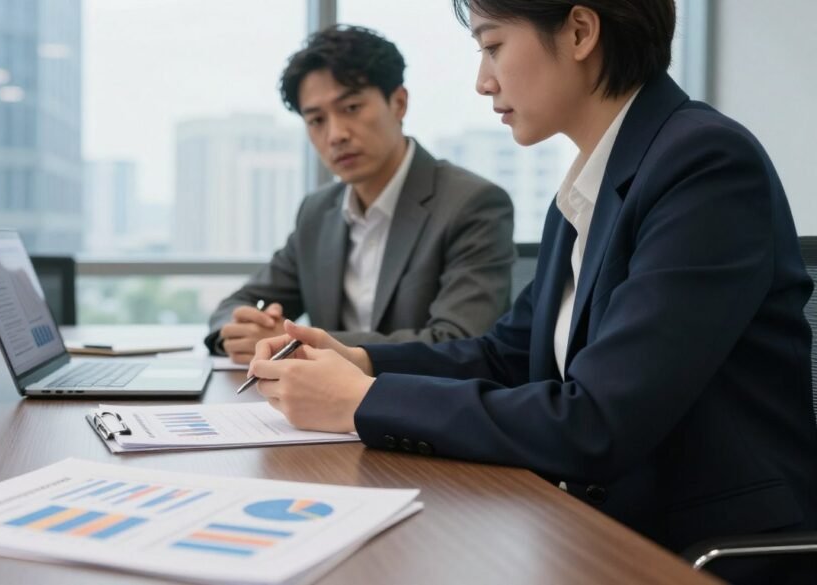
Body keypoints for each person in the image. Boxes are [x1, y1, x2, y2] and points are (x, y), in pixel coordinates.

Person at [248, 2, 817, 582]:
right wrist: (360, 360)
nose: (482, 81)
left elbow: (598, 421)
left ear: (579, 31)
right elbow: (508, 355)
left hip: (701, 552)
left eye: (492, 47)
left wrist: (362, 401)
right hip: (590, 525)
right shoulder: (590, 185)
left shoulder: (703, 164)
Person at [205, 25, 515, 364]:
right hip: (318, 409)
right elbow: (238, 304)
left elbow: (458, 343)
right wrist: (239, 331)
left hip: (419, 408)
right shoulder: (317, 211)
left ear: (398, 103)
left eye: (351, 108)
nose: (335, 134)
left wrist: (295, 342)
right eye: (317, 120)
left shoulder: (473, 204)